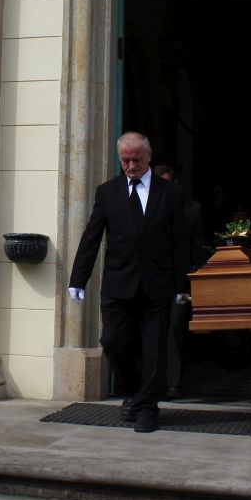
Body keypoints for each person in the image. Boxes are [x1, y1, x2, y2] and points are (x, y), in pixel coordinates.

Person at [68, 133, 189, 433]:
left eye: (136, 160)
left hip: (156, 285)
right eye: (125, 161)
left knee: (153, 350)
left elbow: (180, 242)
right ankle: (136, 393)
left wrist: (181, 287)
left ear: (149, 157)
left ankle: (147, 408)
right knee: (114, 341)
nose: (131, 166)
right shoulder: (107, 192)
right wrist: (78, 279)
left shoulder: (170, 193)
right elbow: (92, 236)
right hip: (117, 284)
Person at [152, 163, 205, 400]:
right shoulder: (143, 205)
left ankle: (173, 383)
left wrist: (195, 281)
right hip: (149, 280)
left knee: (174, 329)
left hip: (178, 282)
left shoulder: (191, 209)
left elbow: (197, 247)